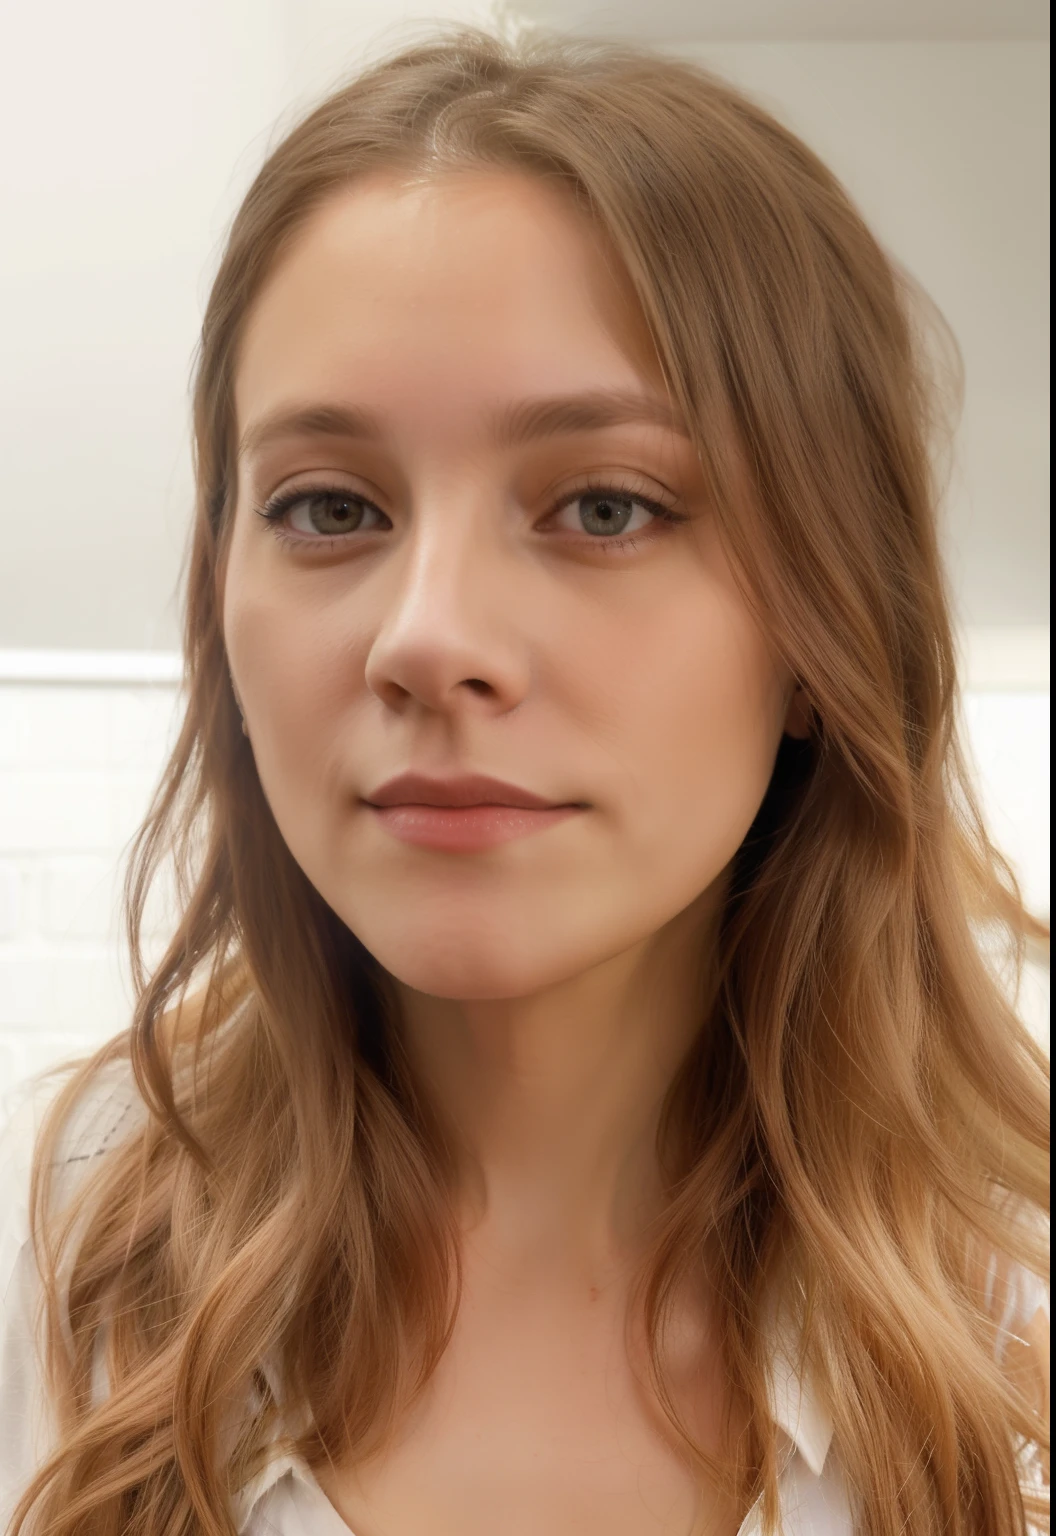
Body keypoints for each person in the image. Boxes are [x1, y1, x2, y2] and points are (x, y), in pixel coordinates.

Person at [0, 26, 1049, 1536]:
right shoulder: (58, 1262)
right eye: (331, 507)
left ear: (831, 624)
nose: (429, 640)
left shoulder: (1018, 1342)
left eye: (606, 506)